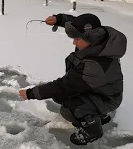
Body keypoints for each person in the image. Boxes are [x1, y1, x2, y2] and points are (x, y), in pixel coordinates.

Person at [19, 13, 127, 145]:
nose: (74, 42)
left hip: (107, 99)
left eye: (77, 38)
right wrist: (58, 20)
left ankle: (93, 128)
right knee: (60, 96)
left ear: (91, 38)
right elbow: (77, 23)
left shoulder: (96, 64)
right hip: (97, 89)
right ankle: (96, 113)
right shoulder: (98, 39)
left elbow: (63, 86)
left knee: (69, 108)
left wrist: (30, 93)